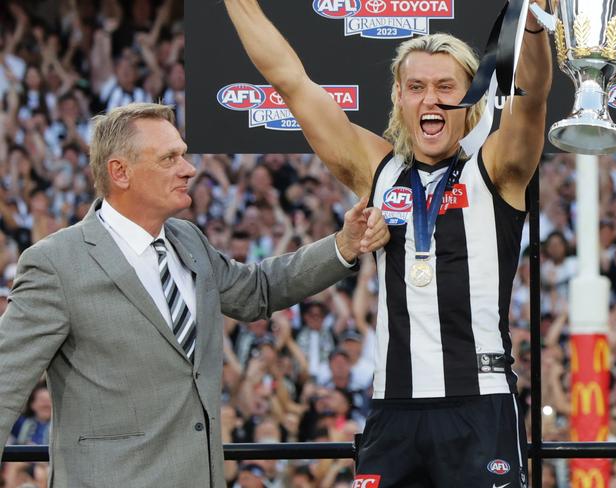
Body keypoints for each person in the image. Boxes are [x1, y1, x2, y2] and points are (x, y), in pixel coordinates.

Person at [225, 0, 552, 485]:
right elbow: (289, 80)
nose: (430, 100)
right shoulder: (377, 169)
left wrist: (532, 26)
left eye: (445, 87)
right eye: (415, 87)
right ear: (398, 97)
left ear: (471, 97)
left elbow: (532, 98)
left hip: (479, 406)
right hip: (392, 410)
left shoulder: (496, 170)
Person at [0, 102, 390, 488]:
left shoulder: (188, 240)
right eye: (170, 158)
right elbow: (5, 381)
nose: (189, 169)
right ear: (120, 172)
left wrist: (343, 244)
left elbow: (257, 290)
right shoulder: (56, 263)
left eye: (183, 155)